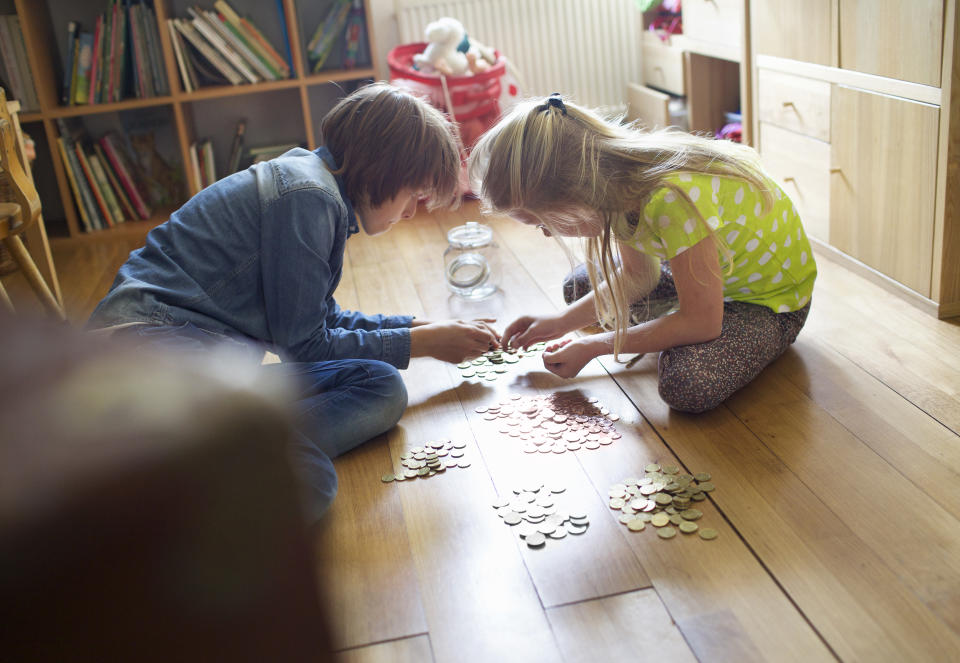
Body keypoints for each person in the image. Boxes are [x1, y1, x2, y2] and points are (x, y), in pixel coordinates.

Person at [88, 83, 500, 523]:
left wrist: (418, 326)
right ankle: (186, 479)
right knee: (312, 483)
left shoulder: (314, 186)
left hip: (179, 359)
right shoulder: (308, 197)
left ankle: (208, 457)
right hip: (151, 356)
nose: (413, 212)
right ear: (385, 169)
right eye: (414, 194)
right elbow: (305, 346)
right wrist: (425, 345)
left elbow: (318, 320)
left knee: (379, 385)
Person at [467, 93, 816, 413]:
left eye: (542, 223)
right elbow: (639, 275)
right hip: (709, 272)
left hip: (771, 303)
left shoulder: (672, 199)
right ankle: (668, 319)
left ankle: (683, 321)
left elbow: (702, 323)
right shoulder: (610, 183)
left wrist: (596, 347)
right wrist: (558, 324)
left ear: (573, 194)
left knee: (687, 382)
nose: (545, 233)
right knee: (577, 289)